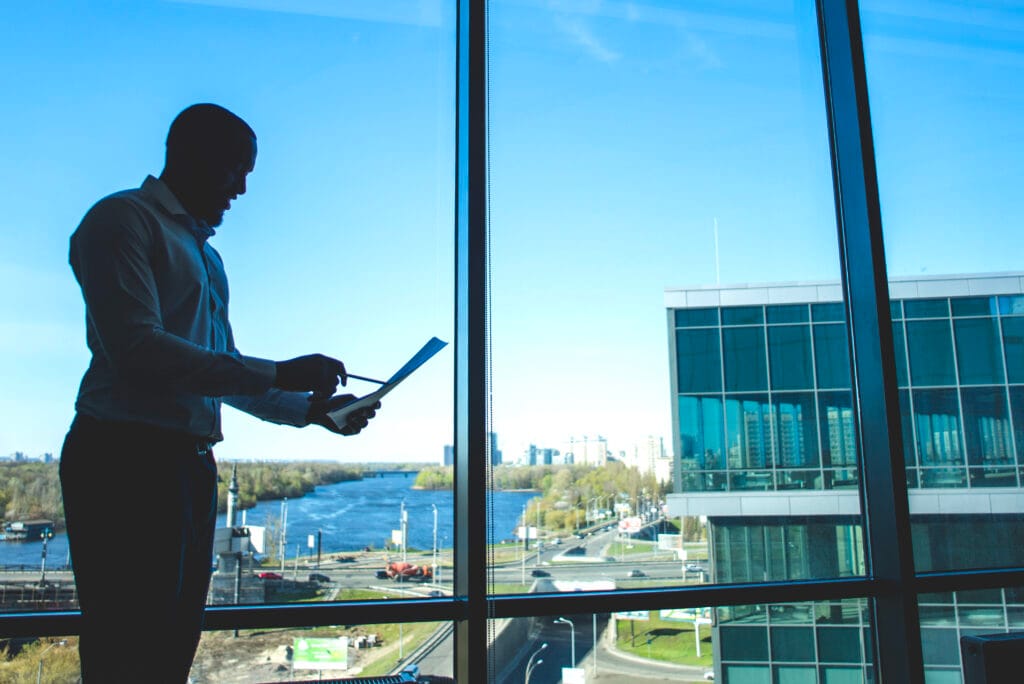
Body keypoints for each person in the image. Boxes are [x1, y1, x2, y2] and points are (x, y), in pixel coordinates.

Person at [60, 103, 379, 683]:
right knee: (126, 643)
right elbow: (140, 352)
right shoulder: (119, 221)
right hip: (124, 459)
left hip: (187, 463)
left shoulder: (207, 257)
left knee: (171, 641)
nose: (244, 188)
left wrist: (314, 413)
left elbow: (219, 370)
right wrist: (283, 373)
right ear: (191, 155)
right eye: (237, 168)